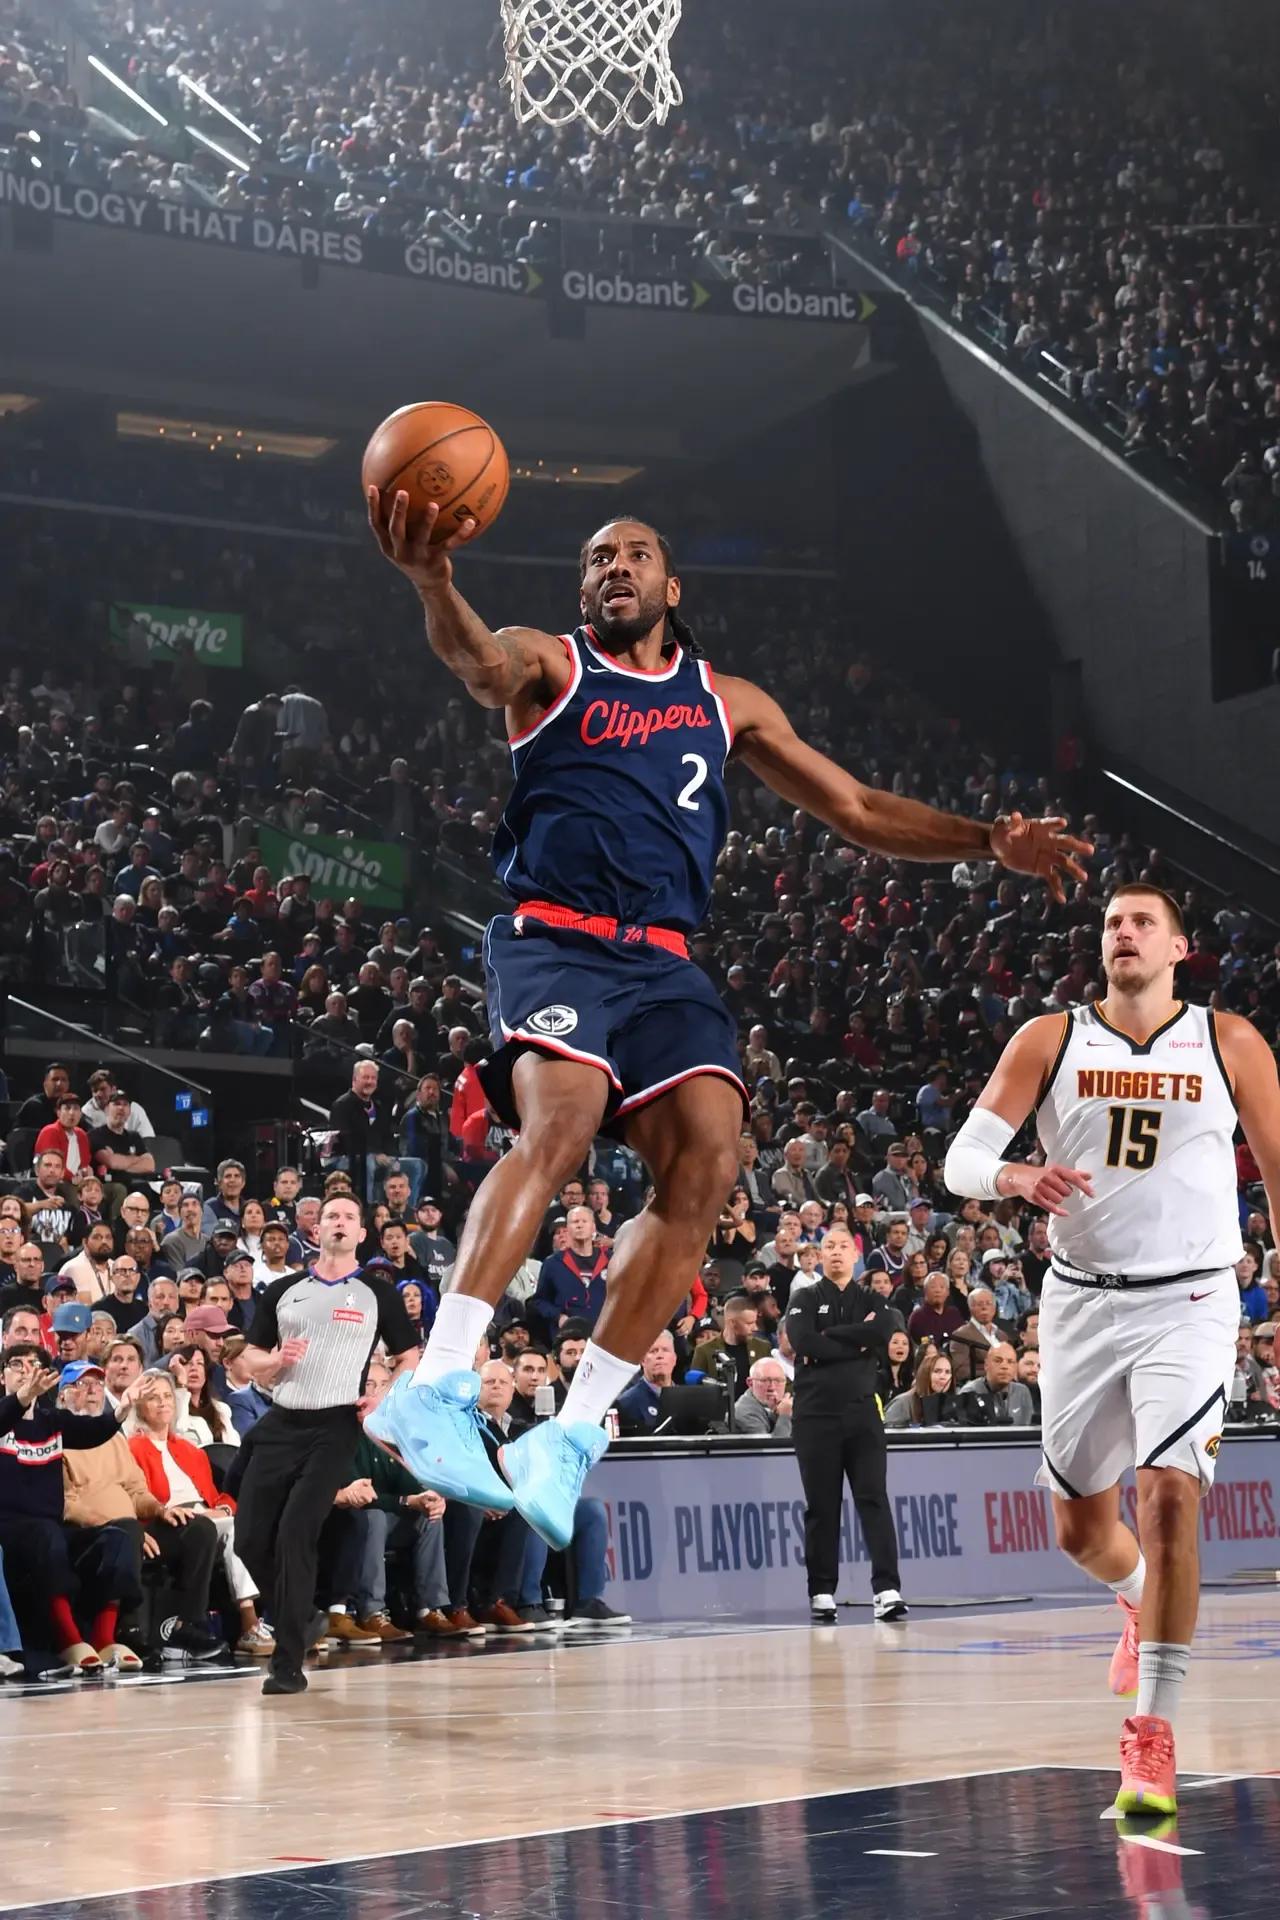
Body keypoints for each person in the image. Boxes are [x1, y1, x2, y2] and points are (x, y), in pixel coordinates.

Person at [363, 498, 1088, 1550]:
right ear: (582, 589)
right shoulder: (552, 666)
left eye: (635, 554)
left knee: (708, 1162)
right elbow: (477, 662)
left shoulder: (726, 700)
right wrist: (432, 578)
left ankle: (568, 1433)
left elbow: (856, 808)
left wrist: (986, 840)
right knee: (561, 1122)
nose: (615, 566)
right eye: (597, 558)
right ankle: (433, 1385)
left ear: (672, 587)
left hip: (663, 962)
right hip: (557, 939)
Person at [944, 882, 1280, 1814]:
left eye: (1142, 923)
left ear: (1178, 947)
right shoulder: (1050, 1039)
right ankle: (1133, 1595)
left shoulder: (1229, 1041)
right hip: (1083, 1303)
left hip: (1193, 1299)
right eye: (1112, 924)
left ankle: (1151, 1737)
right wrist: (1014, 1175)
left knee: (1169, 1499)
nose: (1124, 933)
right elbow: (961, 1161)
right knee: (1081, 1531)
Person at [234, 1194, 418, 1695]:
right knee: (248, 1539)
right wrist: (275, 1362)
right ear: (315, 1231)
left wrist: (383, 1399)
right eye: (331, 1216)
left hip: (336, 1424)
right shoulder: (284, 1290)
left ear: (362, 1233)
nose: (339, 1223)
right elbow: (250, 1357)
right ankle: (303, 1615)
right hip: (282, 1419)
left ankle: (287, 1664)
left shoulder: (377, 1293)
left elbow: (409, 1356)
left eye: (349, 1217)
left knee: (295, 1532)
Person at [785, 1224, 906, 1624]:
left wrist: (831, 1337)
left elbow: (881, 1330)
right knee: (822, 1506)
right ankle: (821, 1591)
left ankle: (887, 1589)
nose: (836, 1252)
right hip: (815, 1416)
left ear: (856, 1255)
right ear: (820, 1255)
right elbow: (804, 1342)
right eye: (829, 1246)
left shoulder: (873, 1299)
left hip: (862, 1414)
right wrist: (856, 1343)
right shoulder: (804, 1297)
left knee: (874, 1499)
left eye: (842, 1246)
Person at [128, 1369, 271, 1655]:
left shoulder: (191, 1451)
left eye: (167, 1396)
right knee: (215, 1527)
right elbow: (137, 1497)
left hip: (207, 1519)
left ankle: (264, 1619)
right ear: (139, 1406)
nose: (163, 1402)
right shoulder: (132, 1448)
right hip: (164, 1520)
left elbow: (217, 1497)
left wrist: (222, 1508)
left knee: (248, 1523)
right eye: (153, 1397)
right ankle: (244, 1622)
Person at [614, 1330, 677, 1435]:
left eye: (665, 1350)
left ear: (674, 1359)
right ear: (642, 1360)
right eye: (653, 1351)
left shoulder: (686, 1402)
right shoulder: (626, 1404)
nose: (660, 1356)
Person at [732, 1355, 793, 1436]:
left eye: (778, 1381)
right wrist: (785, 1416)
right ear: (750, 1383)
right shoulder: (745, 1413)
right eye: (765, 1380)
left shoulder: (780, 1406)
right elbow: (774, 1444)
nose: (772, 1387)